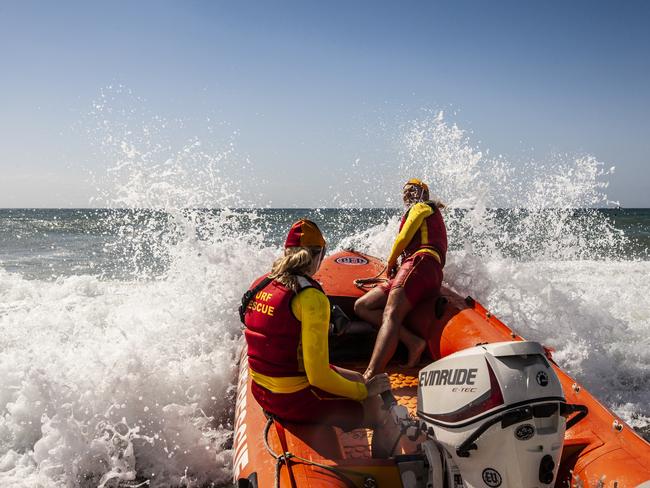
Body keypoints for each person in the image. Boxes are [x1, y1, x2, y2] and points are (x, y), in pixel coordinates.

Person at [241, 219, 398, 455]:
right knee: (383, 413)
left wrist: (362, 385)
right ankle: (384, 473)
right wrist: (366, 392)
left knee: (357, 377)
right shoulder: (311, 298)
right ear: (319, 254)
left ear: (287, 252)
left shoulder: (261, 284)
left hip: (262, 390)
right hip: (292, 398)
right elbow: (318, 377)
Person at [355, 179, 447, 379]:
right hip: (424, 271)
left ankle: (370, 375)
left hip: (420, 264)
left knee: (391, 314)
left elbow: (404, 237)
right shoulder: (429, 215)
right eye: (404, 191)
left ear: (424, 193)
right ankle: (413, 342)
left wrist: (390, 262)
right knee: (363, 306)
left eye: (412, 190)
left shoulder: (422, 207)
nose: (407, 194)